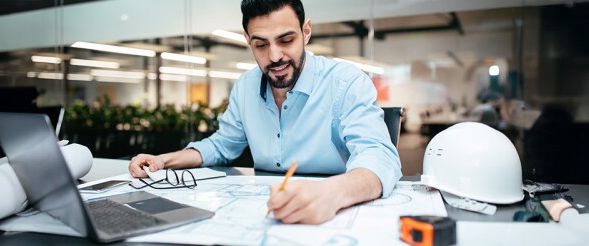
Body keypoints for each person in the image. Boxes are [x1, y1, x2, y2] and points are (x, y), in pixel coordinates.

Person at [128, 0, 401, 224]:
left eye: (286, 40)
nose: (274, 56)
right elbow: (222, 146)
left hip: (334, 212)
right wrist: (164, 160)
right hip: (265, 213)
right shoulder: (246, 86)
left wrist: (333, 191)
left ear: (306, 31)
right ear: (248, 41)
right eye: (261, 45)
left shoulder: (346, 82)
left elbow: (379, 155)